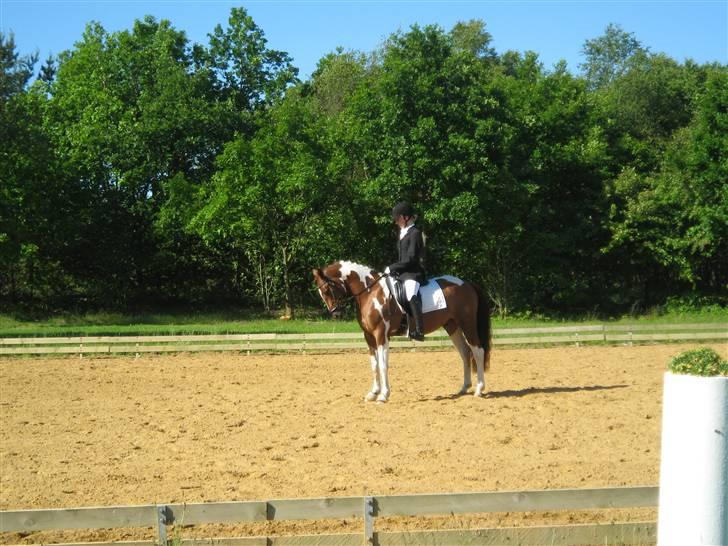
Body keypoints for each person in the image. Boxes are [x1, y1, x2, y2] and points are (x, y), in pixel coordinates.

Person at [386, 201, 426, 341]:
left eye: (397, 219)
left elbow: (411, 258)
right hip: (402, 273)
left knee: (410, 293)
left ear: (405, 217)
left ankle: (419, 331)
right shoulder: (403, 232)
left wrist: (393, 267)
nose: (396, 222)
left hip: (413, 273)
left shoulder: (415, 233)